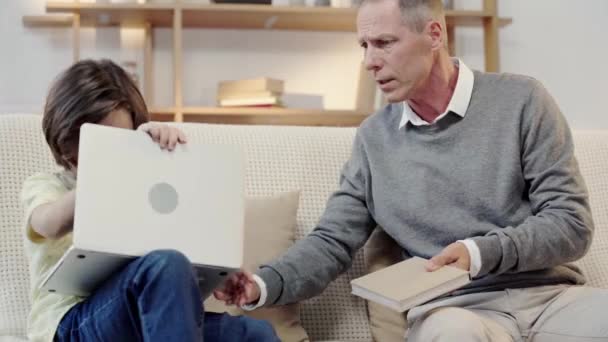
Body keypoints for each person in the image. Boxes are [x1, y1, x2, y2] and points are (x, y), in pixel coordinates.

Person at [215, 0, 608, 341]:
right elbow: (331, 242)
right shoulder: (374, 140)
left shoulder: (523, 100)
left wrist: (478, 253)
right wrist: (262, 284)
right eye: (364, 46)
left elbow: (570, 224)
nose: (370, 61)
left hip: (550, 300)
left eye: (385, 42)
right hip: (452, 312)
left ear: (434, 34)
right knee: (453, 334)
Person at [21, 59, 279, 342]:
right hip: (72, 325)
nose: (107, 153)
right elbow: (48, 223)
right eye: (93, 141)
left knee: (256, 334)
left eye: (118, 141)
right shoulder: (46, 185)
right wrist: (120, 163)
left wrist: (217, 272)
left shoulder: (144, 184)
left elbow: (173, 255)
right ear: (64, 141)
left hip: (145, 318)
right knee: (165, 264)